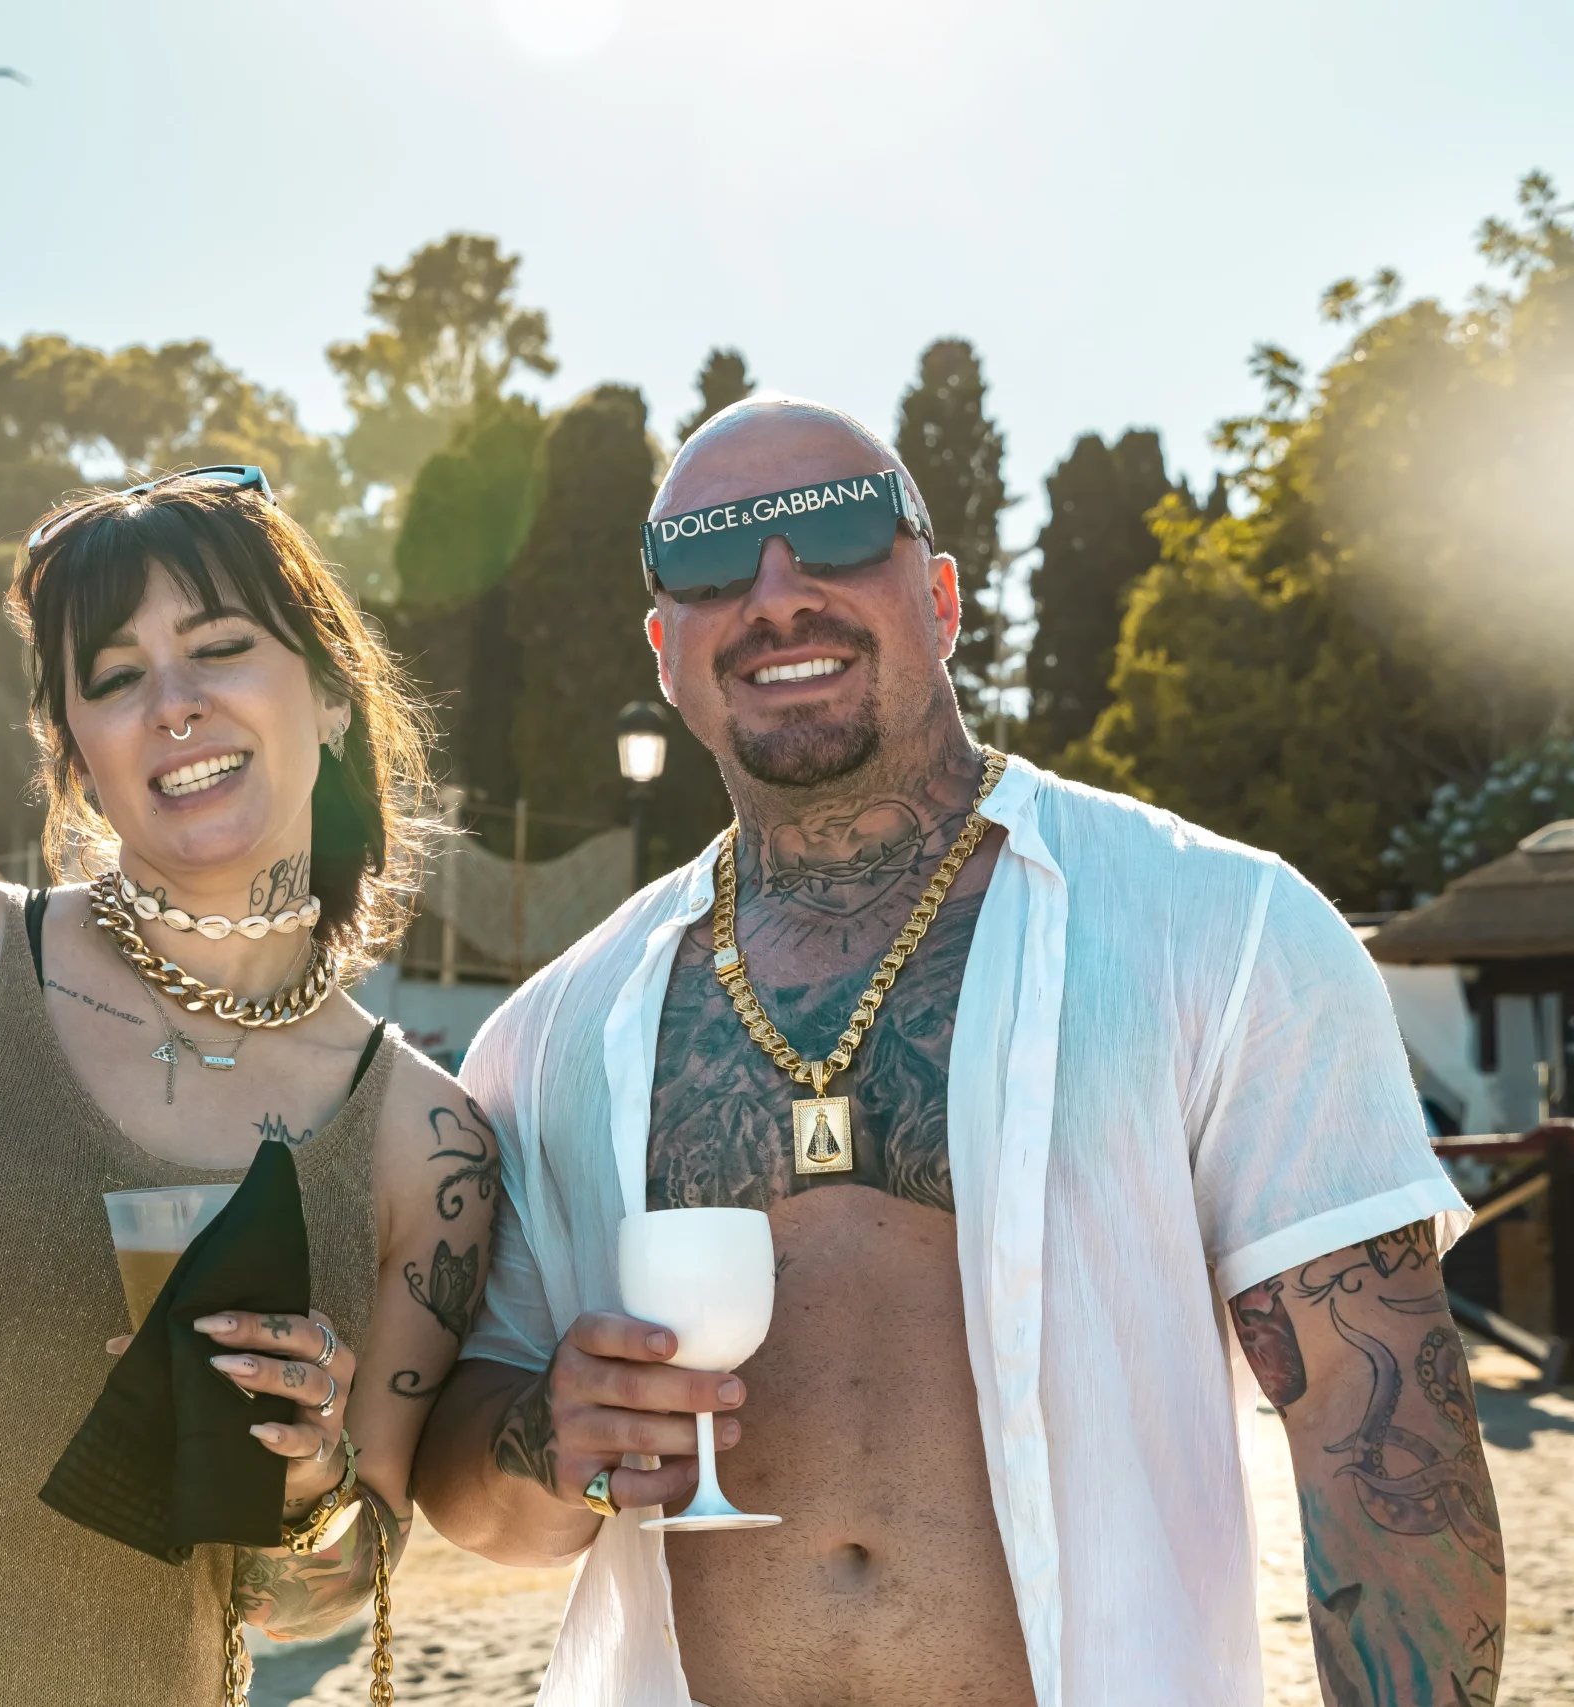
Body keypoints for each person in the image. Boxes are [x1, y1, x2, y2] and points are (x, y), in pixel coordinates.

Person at [412, 397, 1504, 1706]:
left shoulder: (1219, 928)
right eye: (709, 559)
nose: (777, 592)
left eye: (834, 531)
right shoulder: (550, 1030)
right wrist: (548, 1443)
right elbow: (475, 1494)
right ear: (665, 648)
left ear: (939, 597)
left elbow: (1377, 1436)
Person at [0, 471, 497, 1707]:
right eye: (117, 676)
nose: (174, 705)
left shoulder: (426, 1139)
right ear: (76, 751)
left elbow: (319, 1602)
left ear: (333, 694)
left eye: (221, 648)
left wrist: (308, 1482)